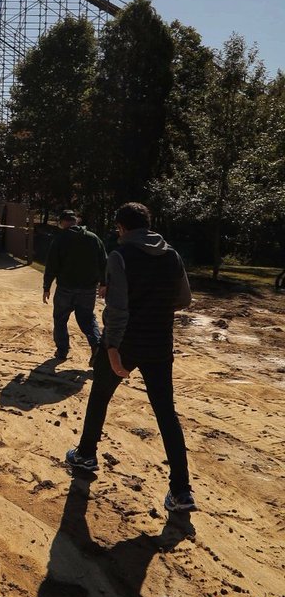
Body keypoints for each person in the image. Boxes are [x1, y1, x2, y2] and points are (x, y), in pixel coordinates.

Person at [65, 202, 196, 513]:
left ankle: (86, 455)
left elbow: (118, 310)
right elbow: (184, 299)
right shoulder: (172, 255)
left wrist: (111, 348)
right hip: (160, 343)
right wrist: (154, 306)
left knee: (100, 397)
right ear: (148, 224)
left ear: (122, 227)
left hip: (125, 342)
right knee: (166, 413)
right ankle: (181, 491)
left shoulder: (120, 255)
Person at [43, 209, 106, 365]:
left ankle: (62, 351)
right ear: (76, 221)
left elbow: (51, 265)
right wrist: (104, 283)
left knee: (60, 319)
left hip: (65, 288)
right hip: (88, 289)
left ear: (62, 222)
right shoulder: (93, 238)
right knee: (87, 318)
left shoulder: (59, 240)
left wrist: (46, 287)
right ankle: (96, 345)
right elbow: (104, 262)